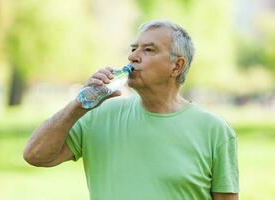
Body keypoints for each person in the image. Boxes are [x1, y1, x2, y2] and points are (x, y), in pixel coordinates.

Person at [23, 20, 239, 200]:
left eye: (148, 50)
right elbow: (35, 155)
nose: (133, 57)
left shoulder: (214, 130)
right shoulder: (99, 115)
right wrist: (78, 105)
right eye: (134, 48)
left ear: (177, 66)